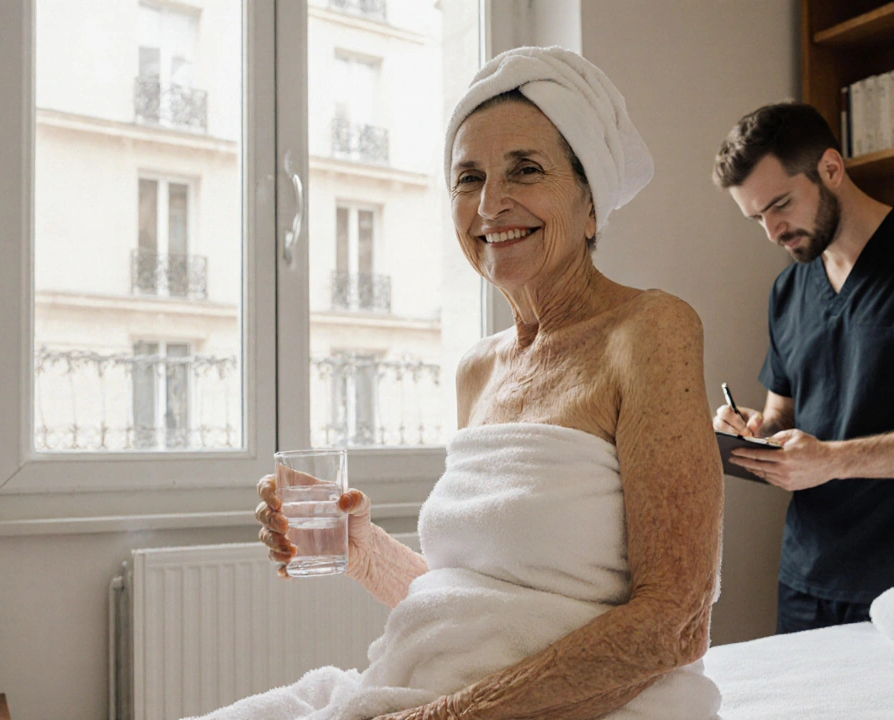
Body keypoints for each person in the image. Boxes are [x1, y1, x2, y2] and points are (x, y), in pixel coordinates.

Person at [194, 47, 725, 720]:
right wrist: (363, 549)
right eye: (469, 178)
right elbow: (477, 603)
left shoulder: (649, 330)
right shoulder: (479, 370)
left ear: (590, 203)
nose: (491, 204)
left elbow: (676, 622)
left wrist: (443, 717)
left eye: (525, 170)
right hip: (431, 692)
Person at [711, 102, 894, 635]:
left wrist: (832, 460)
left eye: (780, 205)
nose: (773, 231)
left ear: (831, 168)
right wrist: (754, 434)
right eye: (756, 218)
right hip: (807, 583)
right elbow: (783, 418)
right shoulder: (788, 289)